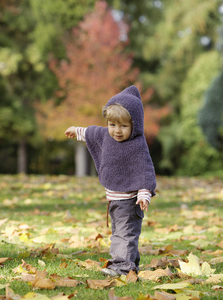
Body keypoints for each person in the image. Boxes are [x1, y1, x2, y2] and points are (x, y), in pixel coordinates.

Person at [64, 85, 156, 276]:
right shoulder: (106, 135)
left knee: (124, 234)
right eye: (112, 125)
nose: (117, 131)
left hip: (130, 201)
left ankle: (122, 267)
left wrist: (144, 193)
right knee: (122, 233)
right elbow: (90, 132)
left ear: (135, 124)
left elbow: (145, 169)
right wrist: (75, 130)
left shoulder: (137, 145)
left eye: (123, 126)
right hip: (114, 200)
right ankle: (130, 266)